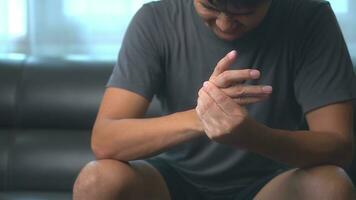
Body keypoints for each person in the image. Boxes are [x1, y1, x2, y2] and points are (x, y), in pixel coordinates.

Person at [73, 0, 356, 199]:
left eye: (243, 10)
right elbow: (105, 139)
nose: (224, 23)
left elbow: (339, 145)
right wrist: (203, 117)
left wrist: (251, 136)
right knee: (97, 180)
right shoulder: (155, 18)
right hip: (174, 179)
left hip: (272, 182)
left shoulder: (310, 18)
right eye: (209, 6)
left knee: (332, 186)